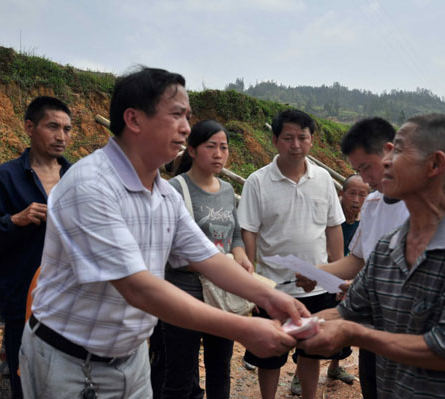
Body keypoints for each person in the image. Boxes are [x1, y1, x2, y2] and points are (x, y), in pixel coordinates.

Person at [19, 67, 309, 398]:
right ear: (134, 120)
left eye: (187, 116)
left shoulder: (165, 195)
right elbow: (139, 289)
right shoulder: (92, 186)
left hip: (131, 359)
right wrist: (243, 328)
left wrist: (269, 297)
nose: (187, 127)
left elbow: (210, 257)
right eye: (176, 115)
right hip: (68, 363)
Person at [298, 114, 445, 398]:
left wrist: (355, 333)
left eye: (399, 150)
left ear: (435, 164)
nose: (387, 160)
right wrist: (294, 326)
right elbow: (346, 311)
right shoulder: (389, 245)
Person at [237, 109, 349, 399]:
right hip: (274, 288)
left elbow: (333, 228)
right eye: (288, 138)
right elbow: (248, 231)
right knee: (269, 354)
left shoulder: (323, 179)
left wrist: (335, 276)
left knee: (311, 353)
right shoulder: (257, 181)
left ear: (312, 140)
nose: (296, 144)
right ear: (275, 140)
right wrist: (253, 283)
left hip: (316, 284)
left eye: (303, 137)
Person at [0, 96, 72, 398]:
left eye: (67, 129)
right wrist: (15, 220)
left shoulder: (79, 178)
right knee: (26, 381)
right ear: (29, 126)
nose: (61, 136)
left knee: (72, 381)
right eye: (53, 126)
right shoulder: (4, 178)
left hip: (74, 300)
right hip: (23, 300)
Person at [297, 117, 409, 398]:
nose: (366, 179)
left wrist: (359, 293)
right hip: (373, 326)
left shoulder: (422, 206)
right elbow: (357, 259)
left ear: (389, 150)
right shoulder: (373, 206)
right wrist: (318, 271)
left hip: (409, 333)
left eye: (367, 167)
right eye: (358, 170)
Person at [148, 119, 253, 399]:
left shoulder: (228, 191)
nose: (219, 154)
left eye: (224, 148)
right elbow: (168, 248)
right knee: (179, 375)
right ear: (192, 151)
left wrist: (240, 256)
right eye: (211, 147)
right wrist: (222, 264)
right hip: (184, 295)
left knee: (220, 370)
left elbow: (236, 236)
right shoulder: (174, 190)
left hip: (221, 294)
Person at [339, 175, 369, 256]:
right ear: (342, 193)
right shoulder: (329, 213)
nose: (356, 200)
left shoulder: (366, 220)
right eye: (352, 193)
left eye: (362, 195)